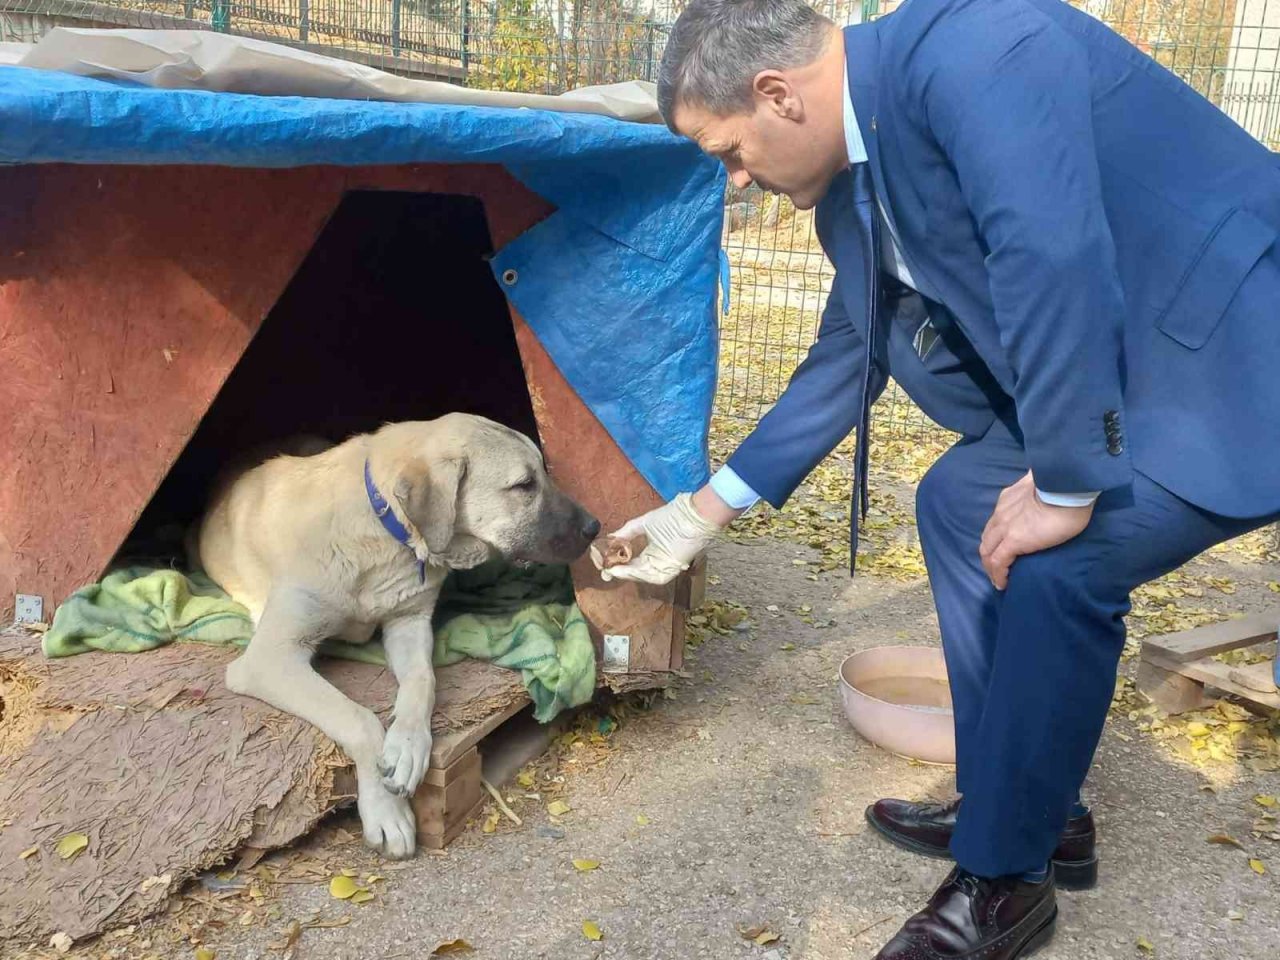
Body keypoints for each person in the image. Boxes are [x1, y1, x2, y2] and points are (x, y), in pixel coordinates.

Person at [594, 0, 1280, 956]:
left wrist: (1065, 484)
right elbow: (848, 355)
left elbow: (1053, 251)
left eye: (728, 153)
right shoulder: (848, 180)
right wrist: (699, 513)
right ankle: (1031, 804)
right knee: (957, 502)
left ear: (777, 94)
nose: (738, 179)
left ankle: (1005, 886)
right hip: (1127, 367)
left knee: (1060, 563)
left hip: (1232, 359)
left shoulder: (980, 46)